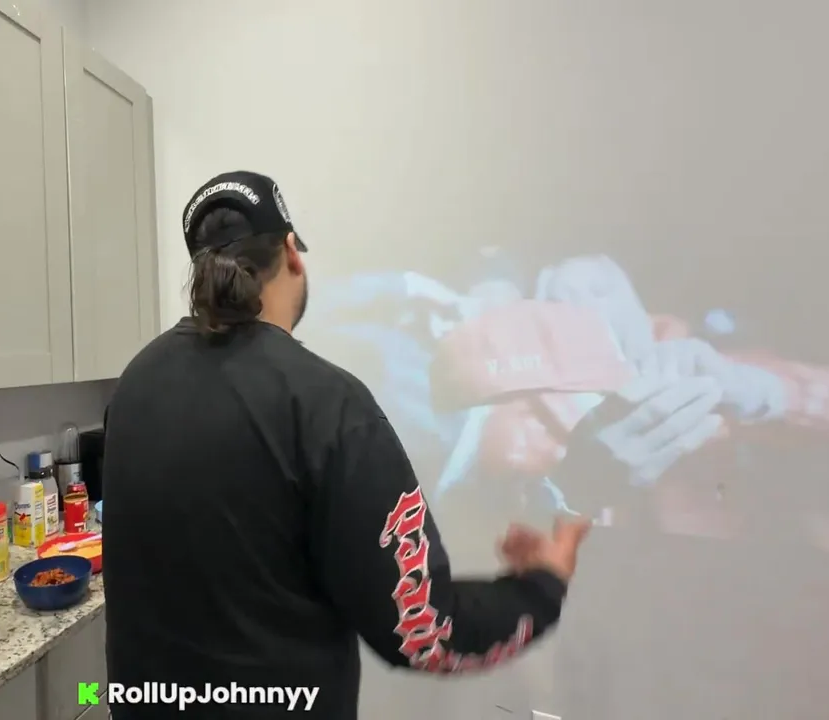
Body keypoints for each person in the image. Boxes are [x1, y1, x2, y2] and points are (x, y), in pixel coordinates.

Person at [101, 170, 593, 720]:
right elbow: (425, 633)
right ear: (292, 254)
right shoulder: (326, 406)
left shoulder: (134, 384)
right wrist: (543, 588)